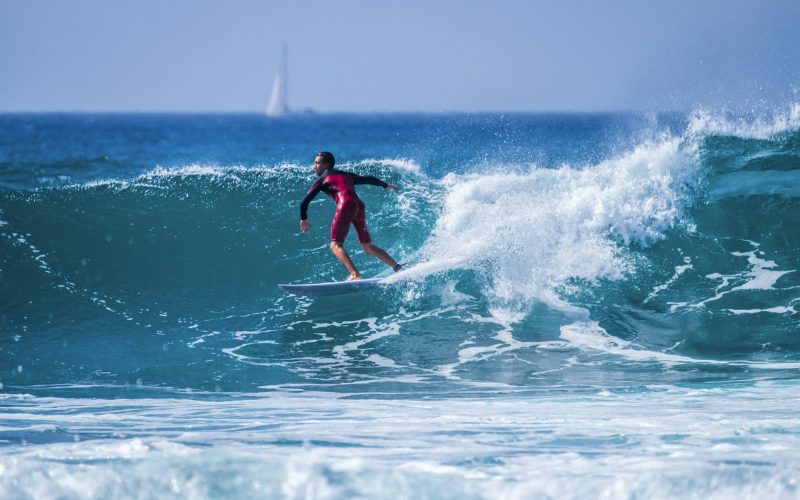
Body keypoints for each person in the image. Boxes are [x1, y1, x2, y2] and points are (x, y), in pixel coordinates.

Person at [299, 151, 402, 280]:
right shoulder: (346, 175)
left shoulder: (322, 179)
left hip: (345, 204)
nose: (315, 166)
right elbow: (368, 178)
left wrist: (304, 218)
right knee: (368, 247)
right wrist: (385, 185)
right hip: (359, 206)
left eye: (318, 163)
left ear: (327, 165)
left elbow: (304, 202)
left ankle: (355, 274)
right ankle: (397, 267)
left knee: (335, 246)